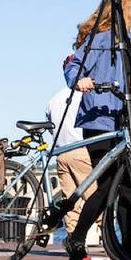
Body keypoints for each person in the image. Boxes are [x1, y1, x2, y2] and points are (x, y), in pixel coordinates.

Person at [63, 0, 131, 260]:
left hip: (124, 122)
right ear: (129, 7)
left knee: (128, 188)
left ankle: (127, 247)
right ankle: (76, 237)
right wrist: (78, 80)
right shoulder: (99, 41)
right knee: (107, 185)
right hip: (99, 122)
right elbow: (72, 66)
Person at [46, 57, 96, 241]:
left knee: (70, 203)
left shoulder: (53, 99)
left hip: (61, 153)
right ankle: (108, 242)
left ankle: (74, 241)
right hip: (82, 150)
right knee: (95, 198)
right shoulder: (85, 95)